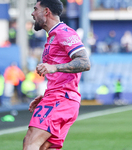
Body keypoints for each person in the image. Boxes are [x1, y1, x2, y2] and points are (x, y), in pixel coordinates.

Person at [23, 1, 91, 150]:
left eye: (35, 9)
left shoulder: (63, 32)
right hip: (59, 97)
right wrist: (46, 96)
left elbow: (84, 62)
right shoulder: (52, 36)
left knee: (30, 142)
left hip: (61, 98)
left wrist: (53, 67)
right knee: (45, 147)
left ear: (46, 11)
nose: (32, 13)